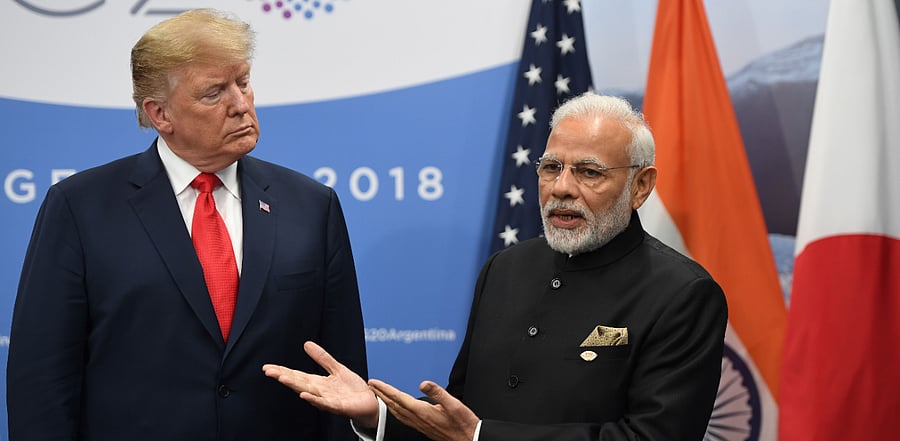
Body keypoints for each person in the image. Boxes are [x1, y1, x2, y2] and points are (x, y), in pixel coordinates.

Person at [263, 92, 728, 441]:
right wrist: (377, 414)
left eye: (589, 172)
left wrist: (484, 438)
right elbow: (459, 419)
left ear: (642, 186)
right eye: (550, 168)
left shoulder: (682, 294)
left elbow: (653, 438)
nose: (562, 188)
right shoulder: (506, 269)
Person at [6, 8, 367, 441]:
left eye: (244, 82)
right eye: (214, 93)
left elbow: (341, 377)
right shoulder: (80, 208)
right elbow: (42, 381)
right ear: (160, 114)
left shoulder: (311, 206)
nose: (240, 104)